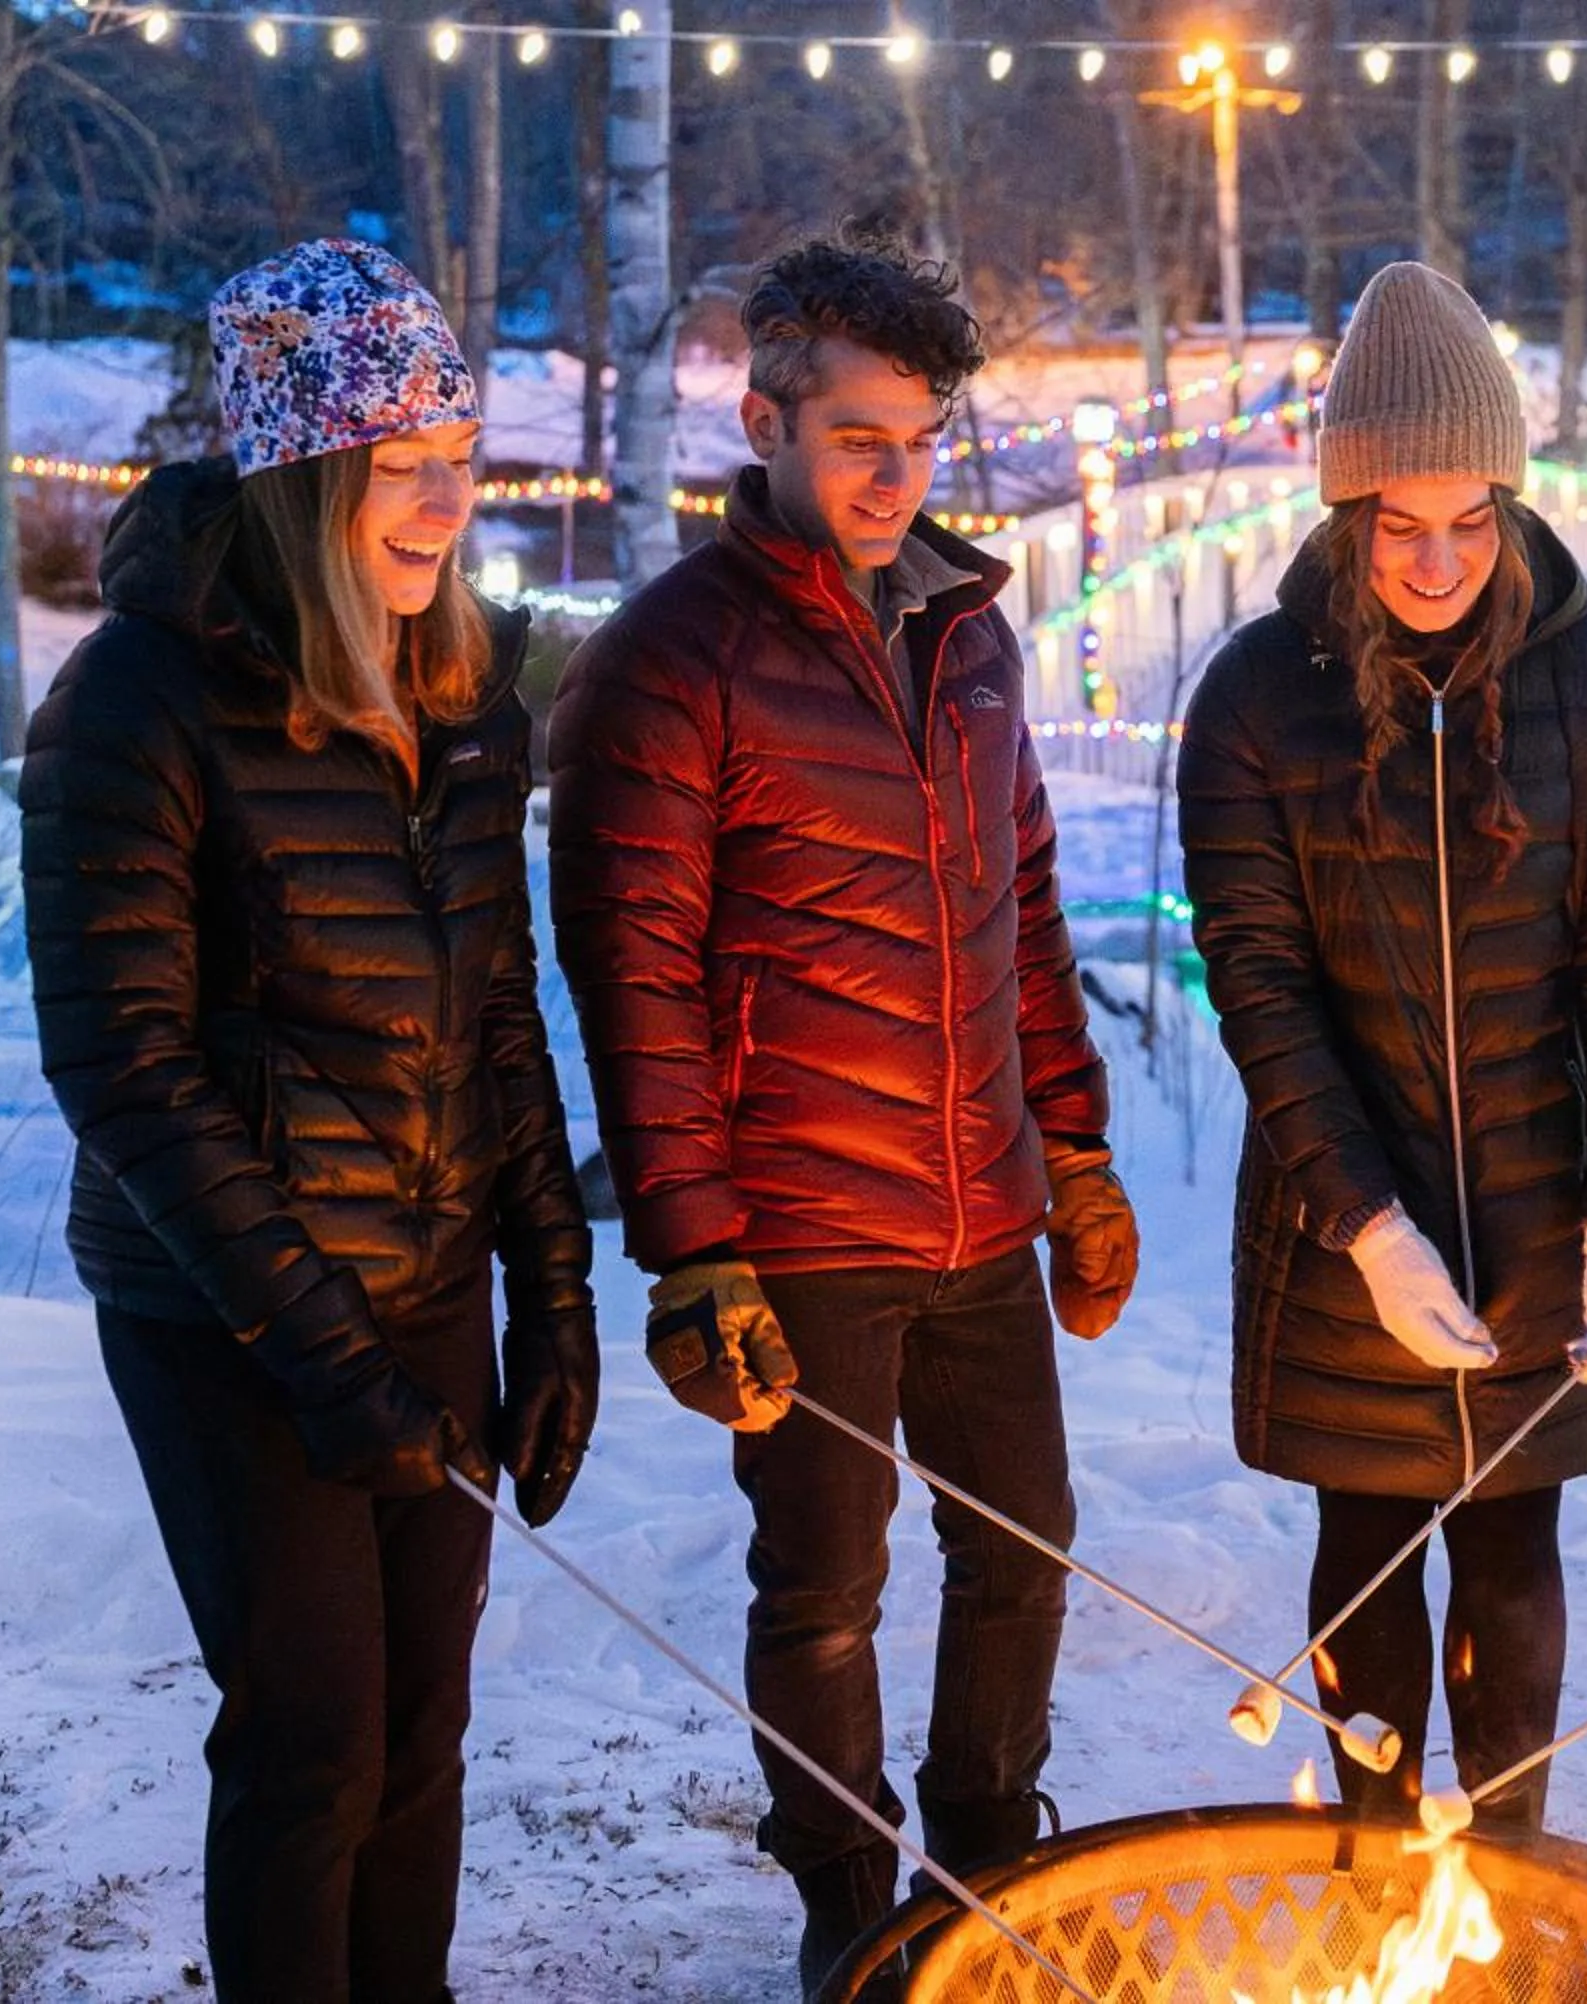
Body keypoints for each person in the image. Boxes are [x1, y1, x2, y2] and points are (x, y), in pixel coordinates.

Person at [546, 226, 1136, 1988]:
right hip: (799, 1222)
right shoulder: (676, 657)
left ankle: (984, 1856)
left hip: (982, 1202)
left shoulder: (970, 638)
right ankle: (846, 1892)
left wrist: (1080, 1156)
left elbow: (1022, 909)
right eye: (861, 435)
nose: (897, 474)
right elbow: (632, 973)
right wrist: (691, 1253)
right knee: (825, 1588)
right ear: (770, 416)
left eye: (924, 436)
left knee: (1024, 1553)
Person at [21, 238, 600, 2002]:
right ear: (304, 476)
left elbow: (495, 1010)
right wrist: (321, 1356)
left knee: (424, 1729)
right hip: (230, 1316)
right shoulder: (140, 701)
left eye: (460, 461)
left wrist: (555, 1293)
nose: (443, 506)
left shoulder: (465, 693)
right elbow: (121, 1061)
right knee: (315, 1741)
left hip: (424, 1288)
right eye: (399, 467)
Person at [1176, 262, 1587, 1833]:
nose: (1439, 559)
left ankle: (1507, 1876)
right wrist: (1369, 1228)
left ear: (1512, 503)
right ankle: (1376, 1863)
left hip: (1548, 1201)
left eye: (1471, 520)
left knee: (1514, 1537)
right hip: (1349, 1213)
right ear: (1345, 517)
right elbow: (1258, 981)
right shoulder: (1261, 701)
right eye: (1399, 525)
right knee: (1372, 1532)